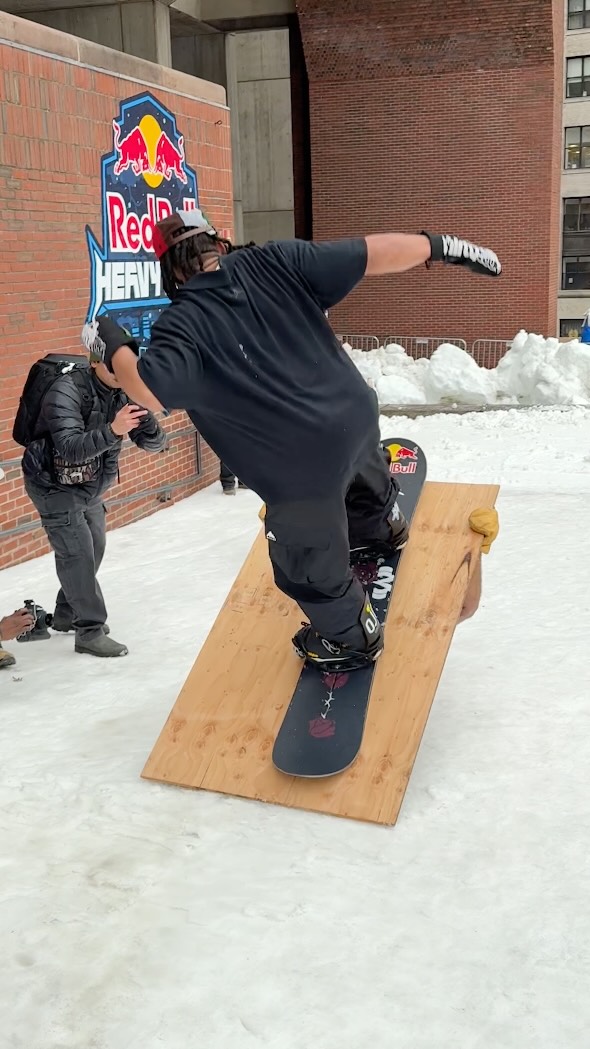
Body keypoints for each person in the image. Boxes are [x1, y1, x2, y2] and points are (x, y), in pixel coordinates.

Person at [83, 212, 501, 672]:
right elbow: (372, 253)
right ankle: (382, 525)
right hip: (355, 415)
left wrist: (112, 342)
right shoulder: (277, 259)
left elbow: (146, 388)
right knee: (361, 467)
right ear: (217, 243)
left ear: (170, 270)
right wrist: (439, 245)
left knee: (303, 559)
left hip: (300, 465)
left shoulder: (181, 326)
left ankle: (350, 637)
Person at [20, 349, 166, 658]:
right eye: (115, 368)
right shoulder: (66, 390)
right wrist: (115, 429)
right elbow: (71, 448)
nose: (121, 374)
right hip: (52, 483)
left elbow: (155, 444)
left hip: (89, 485)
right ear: (96, 361)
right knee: (77, 555)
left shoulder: (124, 390)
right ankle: (89, 630)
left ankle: (66, 613)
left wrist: (146, 417)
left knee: (95, 548)